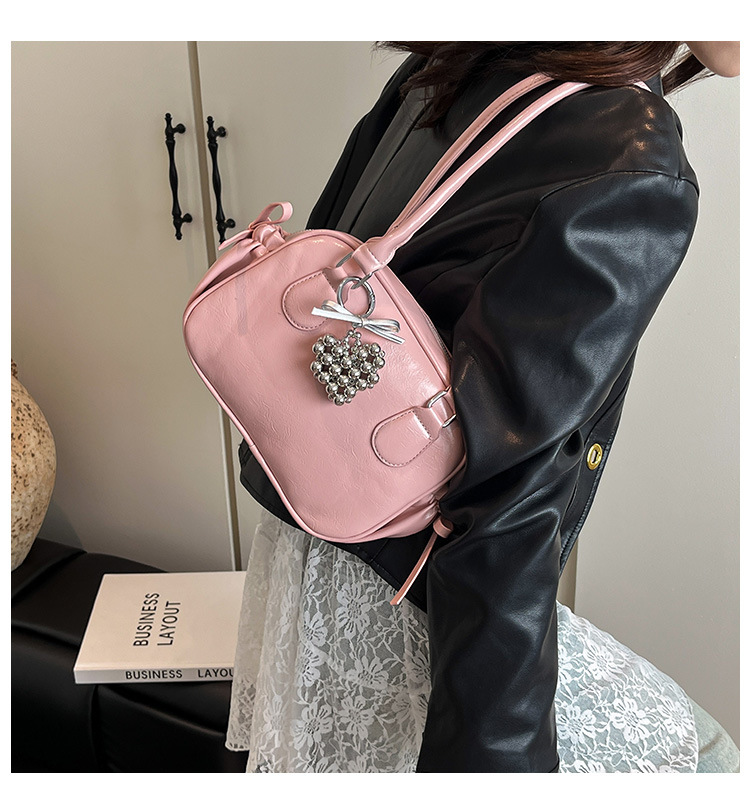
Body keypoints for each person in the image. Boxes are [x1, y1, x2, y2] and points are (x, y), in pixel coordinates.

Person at [225, 41, 740, 773]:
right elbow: (508, 493)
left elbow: (319, 262)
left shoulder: (460, 54)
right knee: (710, 761)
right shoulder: (632, 156)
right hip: (417, 597)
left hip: (312, 545)